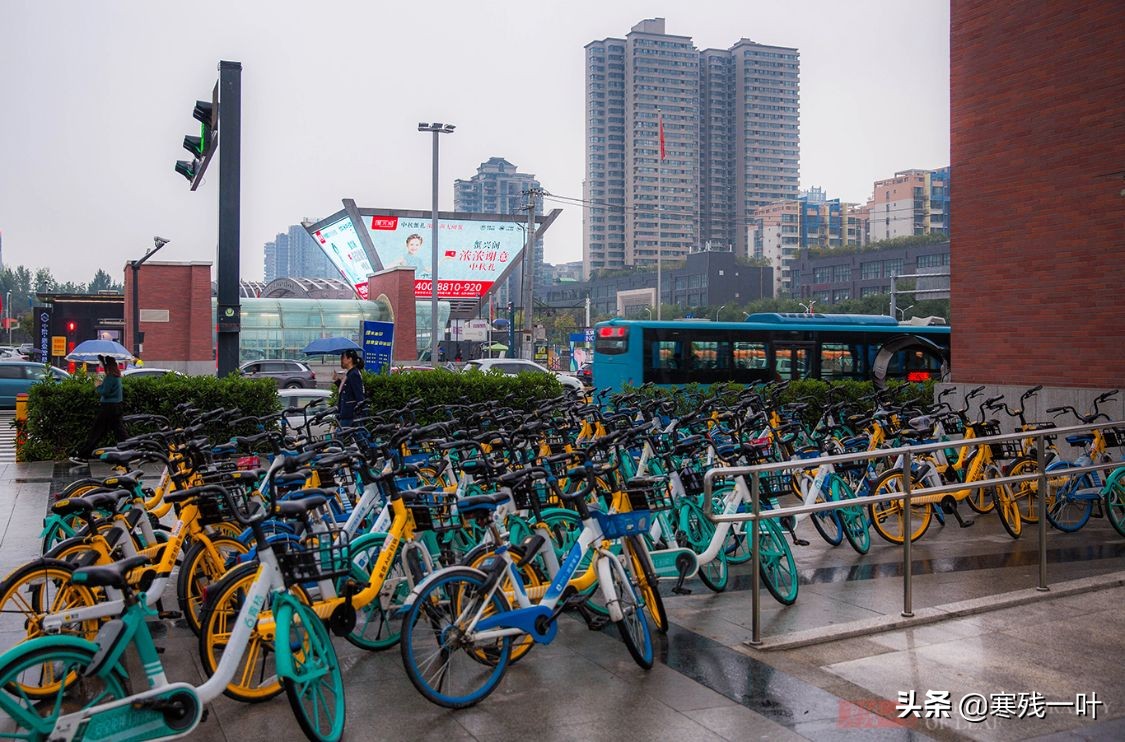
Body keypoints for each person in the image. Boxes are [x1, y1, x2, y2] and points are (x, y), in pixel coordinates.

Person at [71, 356, 128, 464]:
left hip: (108, 408)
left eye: (102, 364)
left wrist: (98, 386)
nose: (101, 366)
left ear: (107, 366)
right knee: (119, 432)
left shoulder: (110, 377)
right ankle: (130, 451)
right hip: (115, 407)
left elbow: (105, 392)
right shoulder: (116, 376)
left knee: (97, 431)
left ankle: (83, 455)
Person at [337, 348, 366, 428]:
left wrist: (360, 414)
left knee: (340, 437)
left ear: (349, 359)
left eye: (343, 357)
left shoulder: (354, 374)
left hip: (351, 416)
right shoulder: (350, 373)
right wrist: (337, 381)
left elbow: (359, 395)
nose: (342, 360)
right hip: (346, 414)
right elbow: (346, 390)